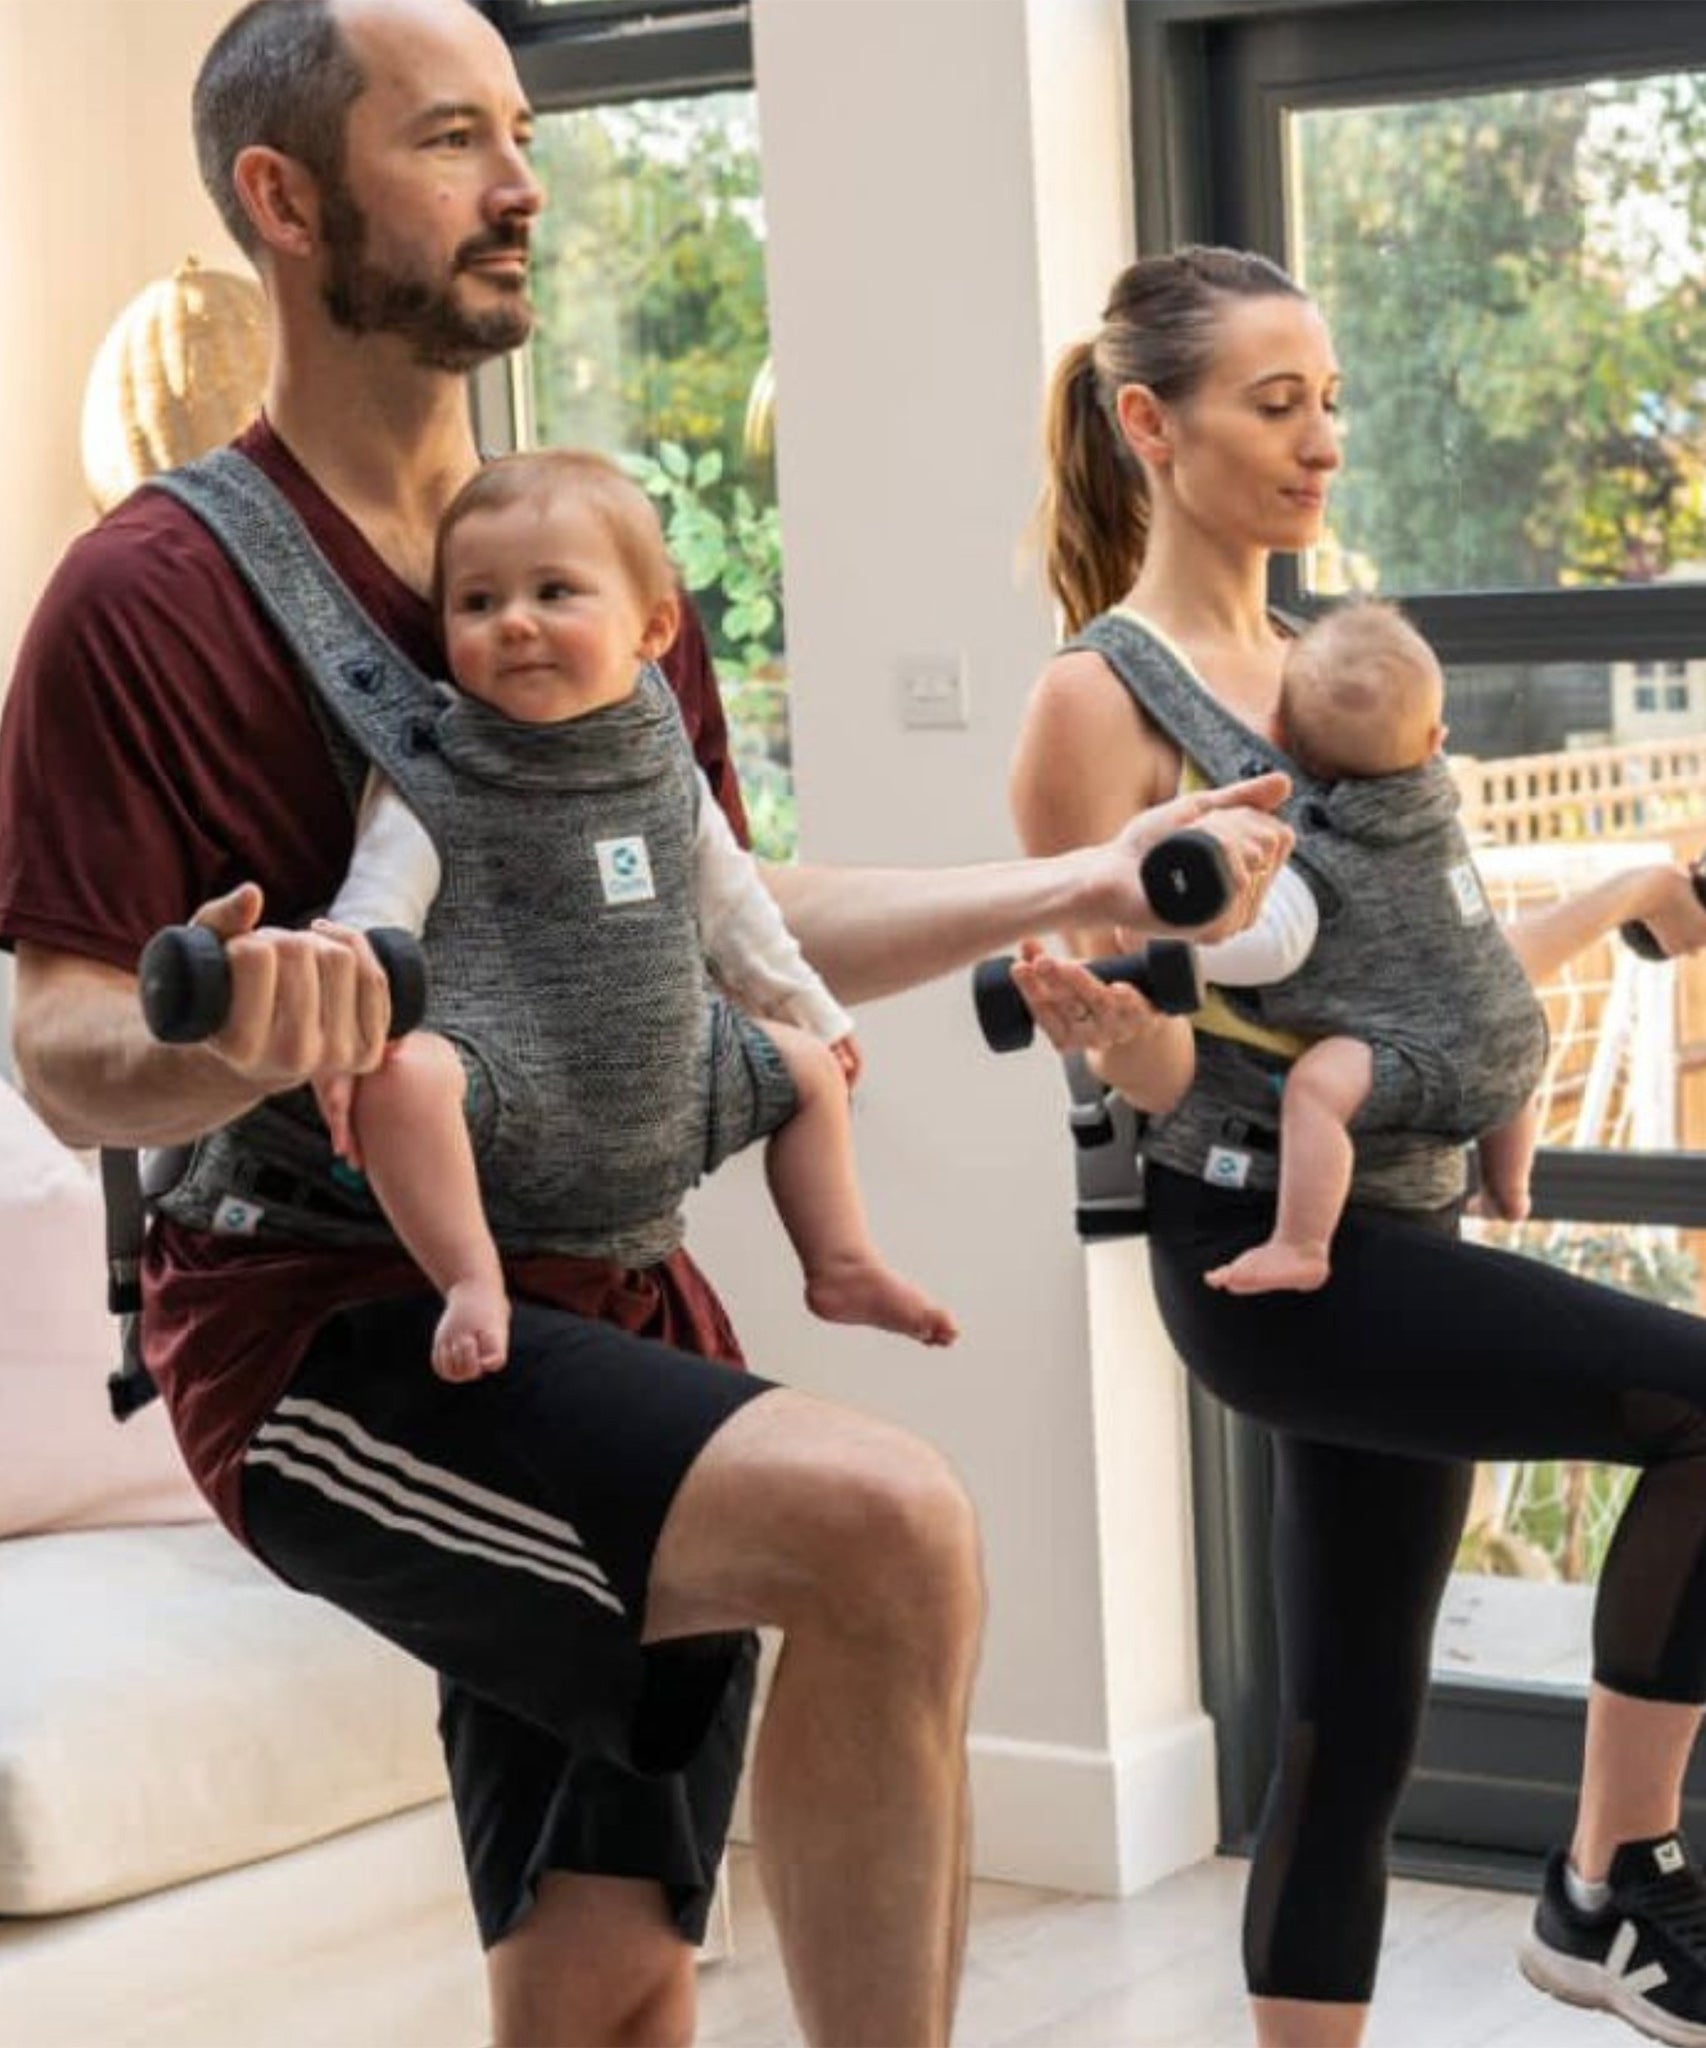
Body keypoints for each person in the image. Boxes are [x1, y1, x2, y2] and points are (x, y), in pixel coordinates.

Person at [0, 7, 1292, 2044]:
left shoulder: (560, 559)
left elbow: (730, 918)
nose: (523, 180)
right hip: (335, 1336)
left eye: (520, 131)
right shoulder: (145, 595)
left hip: (614, 1309)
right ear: (283, 197)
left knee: (609, 1978)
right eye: (451, 140)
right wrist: (240, 1035)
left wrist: (1077, 879)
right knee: (885, 1529)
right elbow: (65, 1045)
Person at [1008, 243, 1706, 2048]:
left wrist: (1623, 889)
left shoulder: (1341, 654)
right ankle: (1611, 1875)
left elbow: (1428, 969)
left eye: (1329, 398)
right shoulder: (1101, 701)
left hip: (1403, 1228)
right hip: (1269, 1250)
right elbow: (1148, 1055)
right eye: (1274, 401)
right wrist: (1111, 1028)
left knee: (1349, 1715)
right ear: (1152, 426)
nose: (1321, 438)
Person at [316, 446, 957, 1380]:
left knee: (810, 1069)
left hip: (671, 1076)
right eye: (478, 603)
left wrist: (813, 1010)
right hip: (507, 1082)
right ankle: (470, 1278)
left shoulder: (661, 760)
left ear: (653, 628)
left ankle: (842, 1261)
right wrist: (350, 986)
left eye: (555, 593)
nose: (517, 624)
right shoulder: (437, 776)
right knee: (401, 1081)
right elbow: (379, 905)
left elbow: (732, 905)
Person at [1196, 595, 1545, 1295]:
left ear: (1278, 737)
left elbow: (1265, 949)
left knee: (1317, 1089)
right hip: (1517, 1038)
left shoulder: (1312, 855)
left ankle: (1300, 1243)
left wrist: (1182, 947)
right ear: (1434, 741)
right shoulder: (1439, 805)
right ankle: (1509, 1185)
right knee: (1499, 1025)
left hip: (1418, 1058)